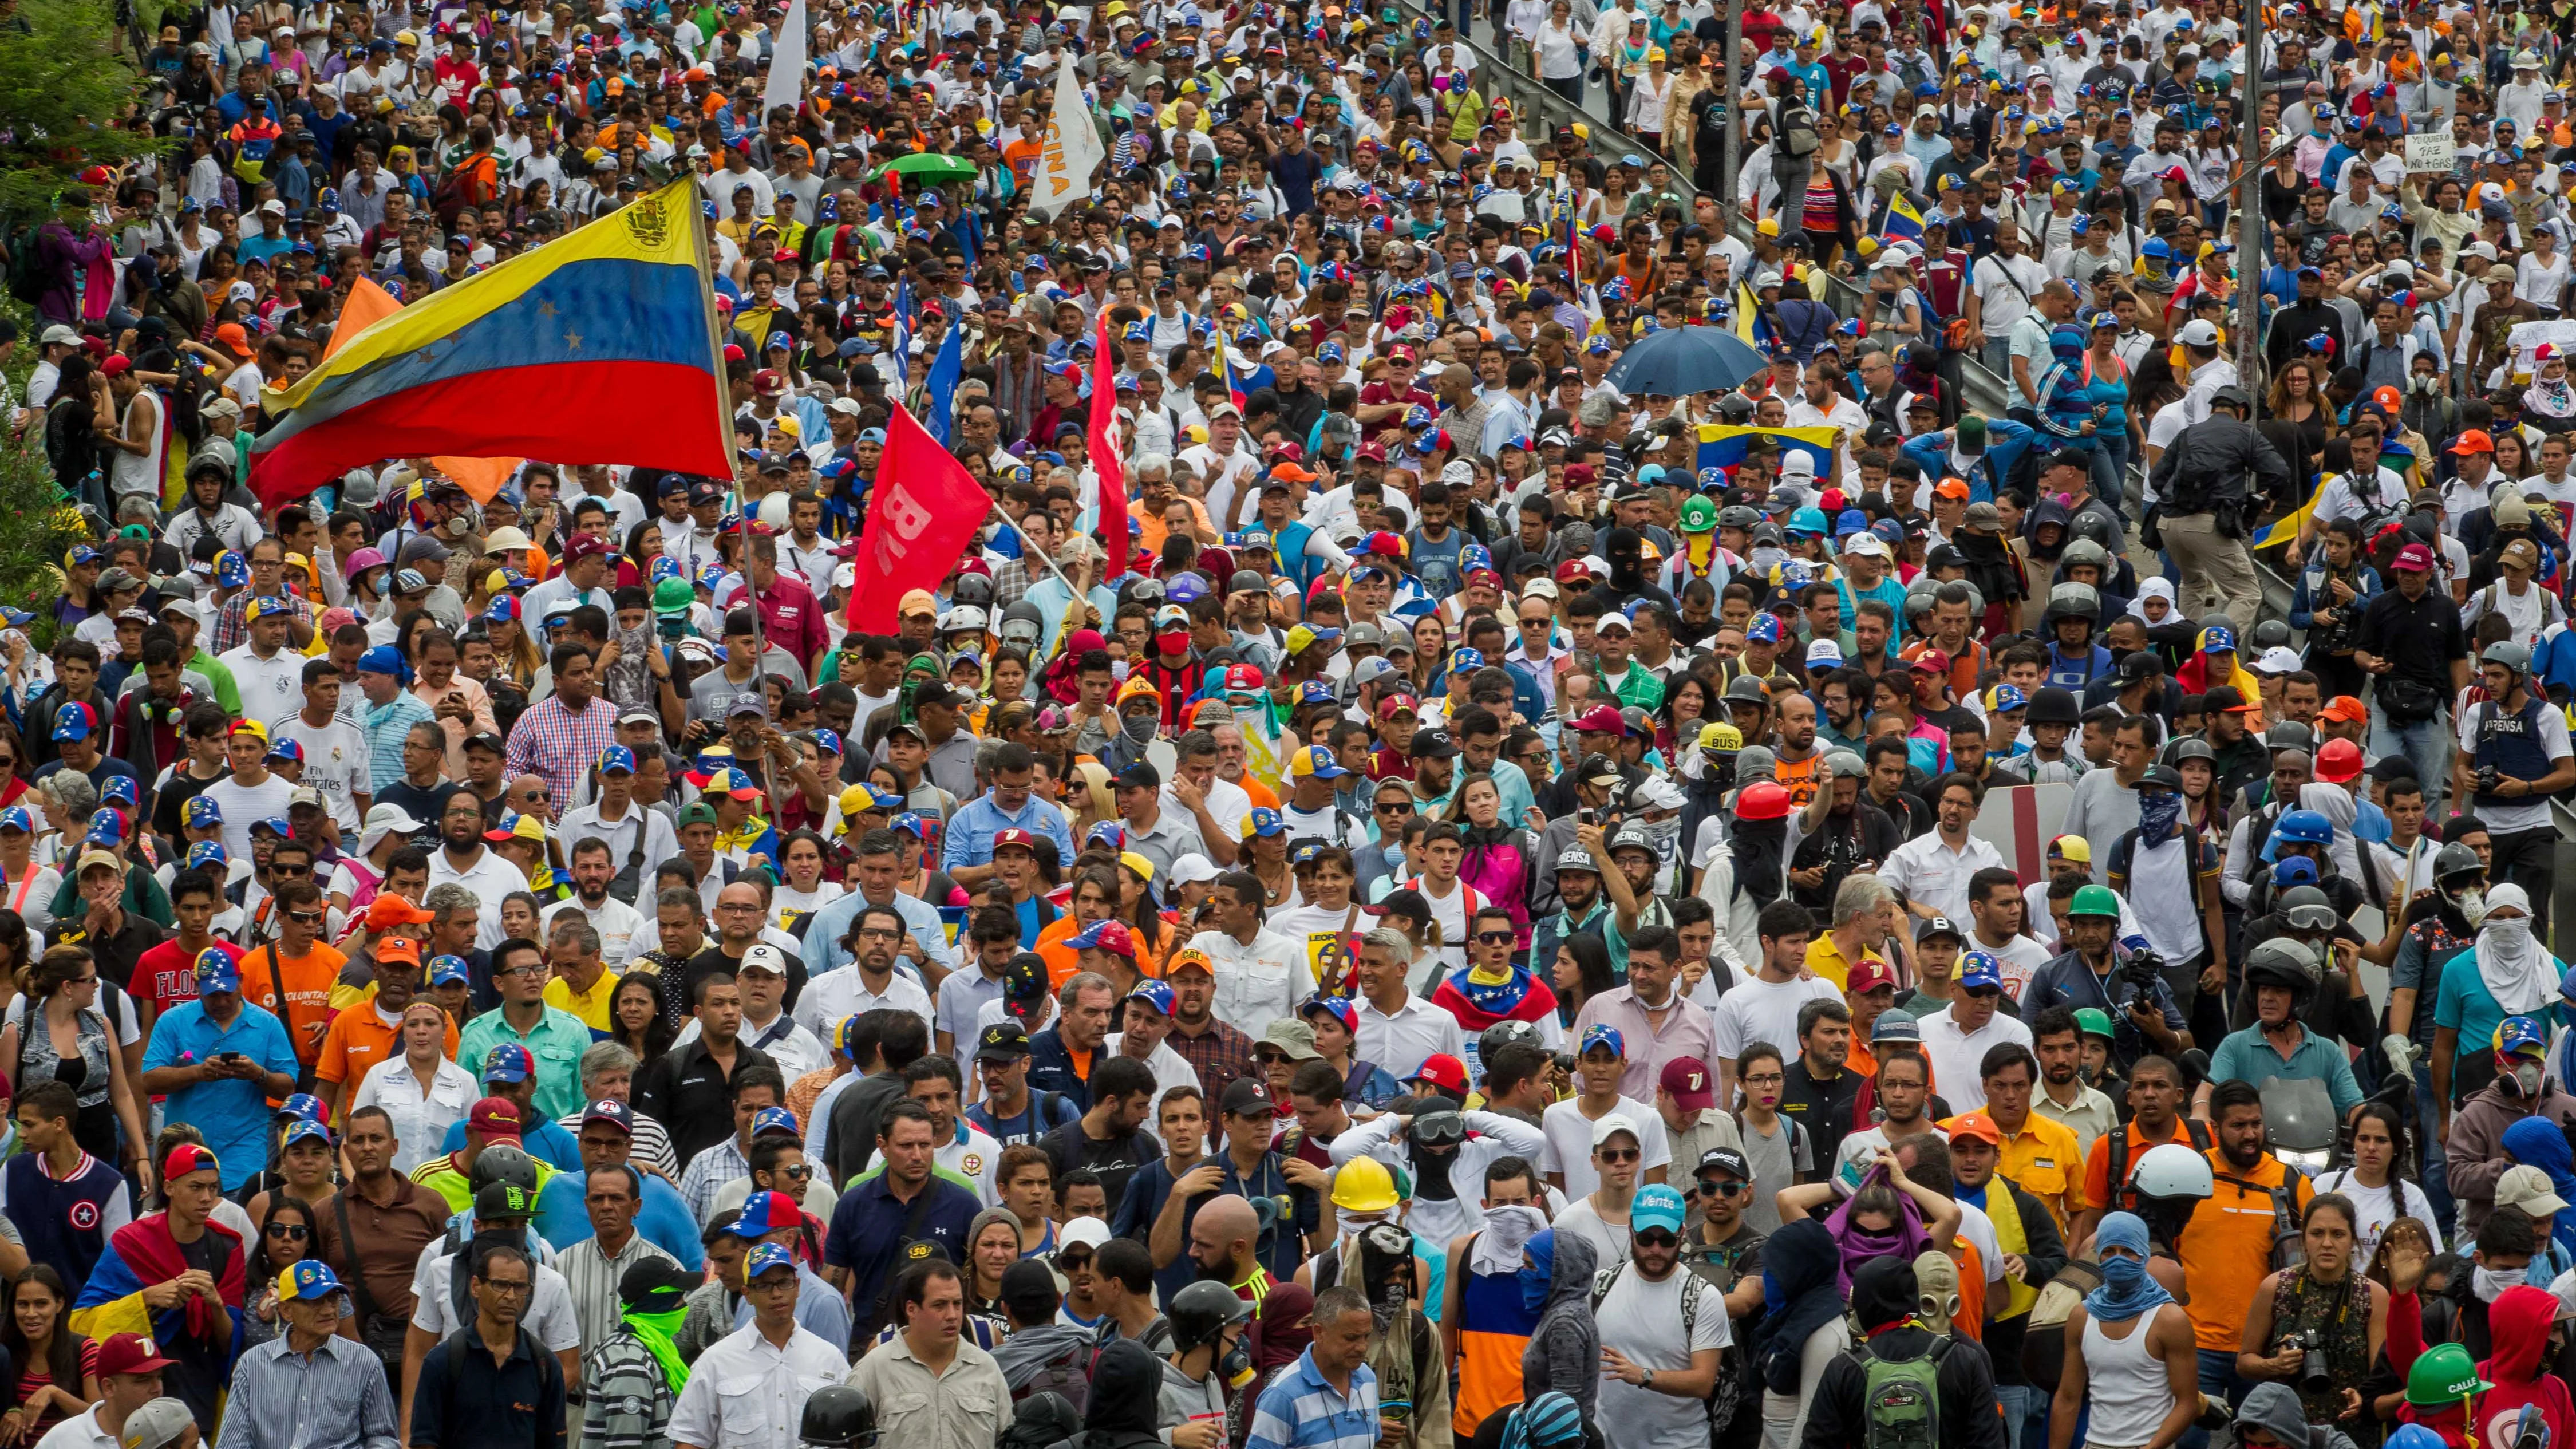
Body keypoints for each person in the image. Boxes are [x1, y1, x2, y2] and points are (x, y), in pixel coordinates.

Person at [1795, 1255, 2008, 1449]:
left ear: (1864, 1303)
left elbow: (1818, 1442)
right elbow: (1990, 1442)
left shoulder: (1845, 1368)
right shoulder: (1964, 1359)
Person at [2047, 1211, 2200, 1449]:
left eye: (2128, 1252)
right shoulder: (2082, 1316)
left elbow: (2187, 1403)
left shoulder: (2169, 1320)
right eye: (2109, 1251)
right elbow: (2067, 1397)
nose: (2119, 1260)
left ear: (2145, 1255)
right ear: (2098, 1257)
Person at [670, 1243, 846, 1449]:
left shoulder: (829, 1358)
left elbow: (850, 1437)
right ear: (747, 1294)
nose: (777, 1293)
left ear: (798, 1286)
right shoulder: (716, 1361)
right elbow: (690, 1439)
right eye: (763, 1285)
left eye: (784, 1283)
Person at [1592, 1183, 1728, 1449]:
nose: (1655, 1249)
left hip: (1680, 1442)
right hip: (1608, 1439)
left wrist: (1643, 1375)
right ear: (1631, 1230)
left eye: (1666, 1240)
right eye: (1645, 1238)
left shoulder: (1702, 1297)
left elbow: (1703, 1383)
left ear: (1682, 1234)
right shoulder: (1599, 1286)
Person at [212, 1260, 399, 1449]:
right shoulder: (252, 1365)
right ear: (286, 1311)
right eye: (315, 1301)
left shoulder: (364, 1362)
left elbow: (383, 1437)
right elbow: (232, 1443)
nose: (328, 1310)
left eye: (333, 1299)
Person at [404, 1241, 570, 1449]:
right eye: (500, 1285)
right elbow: (424, 1441)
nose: (511, 1297)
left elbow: (554, 1442)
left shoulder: (544, 1365)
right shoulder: (443, 1361)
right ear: (476, 1287)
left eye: (520, 1287)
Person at [844, 1260, 1012, 1449]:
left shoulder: (986, 1368)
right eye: (939, 1305)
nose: (952, 1315)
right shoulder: (874, 1369)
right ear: (912, 1309)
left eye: (957, 1304)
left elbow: (1007, 1440)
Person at [579, 1256, 697, 1449]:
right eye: (679, 1298)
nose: (684, 1306)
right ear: (659, 1303)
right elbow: (625, 1444)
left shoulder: (656, 1348)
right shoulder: (629, 1360)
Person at [1243, 1285, 1382, 1449]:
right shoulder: (1283, 1395)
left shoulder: (1368, 1379)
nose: (1362, 1347)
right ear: (1319, 1332)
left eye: (1366, 1336)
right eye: (1351, 1338)